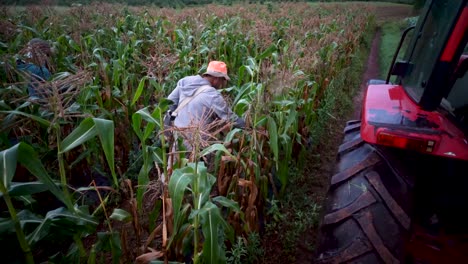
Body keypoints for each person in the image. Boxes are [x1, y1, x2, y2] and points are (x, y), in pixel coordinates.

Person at [166, 60, 245, 160]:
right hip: (197, 142)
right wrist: (247, 126)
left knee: (173, 170)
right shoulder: (212, 95)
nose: (222, 84)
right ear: (216, 78)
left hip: (178, 137)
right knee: (198, 172)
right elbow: (231, 119)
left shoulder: (185, 81)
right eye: (223, 80)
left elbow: (170, 103)